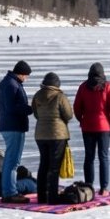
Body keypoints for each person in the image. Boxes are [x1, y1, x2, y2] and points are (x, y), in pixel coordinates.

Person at [73, 62, 110, 196]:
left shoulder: (83, 87)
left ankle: (89, 187)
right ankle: (104, 188)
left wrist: (81, 119)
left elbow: (77, 107)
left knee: (89, 157)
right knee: (103, 157)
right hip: (104, 127)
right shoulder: (107, 87)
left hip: (87, 127)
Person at [32, 72, 73, 204]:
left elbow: (36, 114)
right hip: (57, 135)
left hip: (40, 135)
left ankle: (41, 196)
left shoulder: (38, 95)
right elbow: (68, 115)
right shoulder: (60, 96)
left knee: (43, 164)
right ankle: (53, 197)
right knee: (54, 167)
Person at [0, 60, 33, 203]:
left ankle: (8, 191)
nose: (27, 78)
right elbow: (12, 107)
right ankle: (10, 193)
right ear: (22, 74)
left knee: (10, 161)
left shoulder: (9, 83)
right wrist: (30, 109)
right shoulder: (11, 85)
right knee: (13, 161)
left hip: (10, 126)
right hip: (13, 127)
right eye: (27, 76)